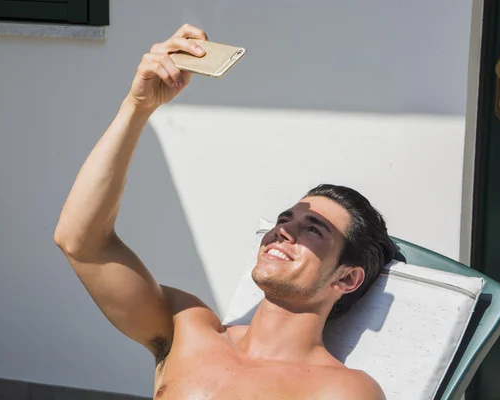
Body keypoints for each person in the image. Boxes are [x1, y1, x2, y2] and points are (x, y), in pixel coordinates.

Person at [54, 24, 395, 400]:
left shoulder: (342, 390)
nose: (284, 231)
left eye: (313, 230)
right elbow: (80, 242)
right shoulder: (187, 329)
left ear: (346, 279)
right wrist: (138, 107)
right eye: (286, 219)